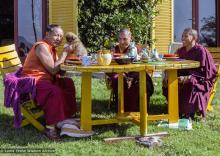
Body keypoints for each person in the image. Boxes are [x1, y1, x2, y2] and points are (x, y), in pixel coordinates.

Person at [21, 24, 77, 140]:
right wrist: (64, 55)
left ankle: (66, 116)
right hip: (34, 81)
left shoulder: (51, 48)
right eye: (56, 35)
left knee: (68, 83)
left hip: (47, 80)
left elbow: (59, 72)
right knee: (54, 91)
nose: (59, 39)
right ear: (47, 34)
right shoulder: (41, 46)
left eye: (61, 36)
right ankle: (50, 128)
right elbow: (52, 69)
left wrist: (68, 58)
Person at [163, 28, 217, 119]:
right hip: (181, 75)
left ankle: (188, 112)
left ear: (194, 38)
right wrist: (167, 74)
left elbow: (206, 72)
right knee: (170, 80)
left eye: (185, 36)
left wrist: (188, 77)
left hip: (199, 78)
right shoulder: (181, 51)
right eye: (182, 36)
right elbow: (173, 64)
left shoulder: (201, 51)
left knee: (190, 83)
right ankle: (175, 109)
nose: (182, 38)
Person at [108, 28, 154, 112]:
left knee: (142, 82)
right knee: (117, 79)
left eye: (125, 39)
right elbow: (109, 65)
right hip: (119, 73)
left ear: (130, 38)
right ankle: (122, 108)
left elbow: (146, 63)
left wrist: (142, 57)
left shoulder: (137, 49)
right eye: (120, 39)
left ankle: (139, 110)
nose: (122, 42)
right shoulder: (114, 50)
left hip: (135, 73)